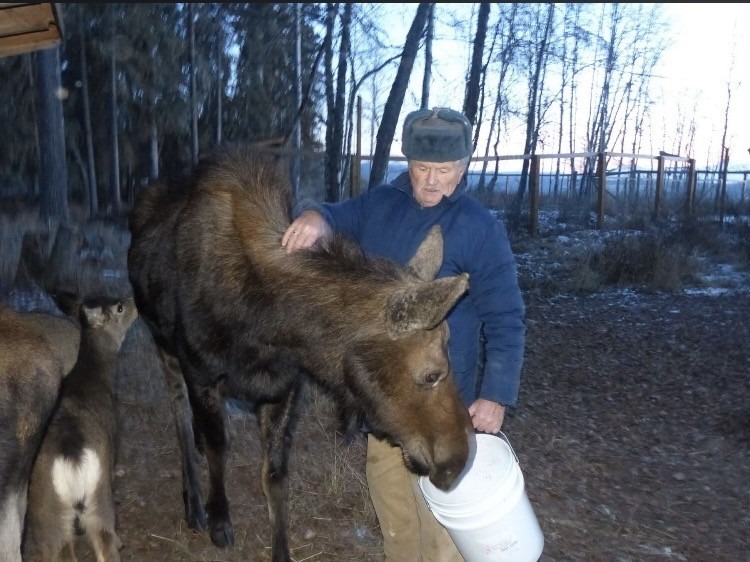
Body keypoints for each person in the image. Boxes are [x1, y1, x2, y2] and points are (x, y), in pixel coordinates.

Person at [282, 107, 526, 562]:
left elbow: (506, 317)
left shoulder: (479, 228)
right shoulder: (380, 205)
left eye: (445, 170)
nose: (432, 181)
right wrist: (314, 217)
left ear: (464, 167)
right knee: (392, 499)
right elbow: (332, 214)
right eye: (421, 169)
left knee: (443, 515)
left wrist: (495, 395)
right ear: (407, 163)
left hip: (445, 400)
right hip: (389, 401)